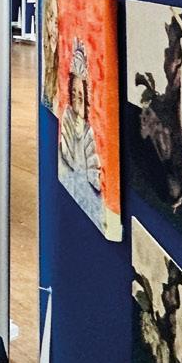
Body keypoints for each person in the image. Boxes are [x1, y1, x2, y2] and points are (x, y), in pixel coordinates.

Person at [58, 41, 107, 226]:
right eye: (74, 95)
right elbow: (65, 157)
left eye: (81, 97)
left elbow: (93, 172)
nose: (77, 104)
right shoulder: (67, 120)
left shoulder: (87, 133)